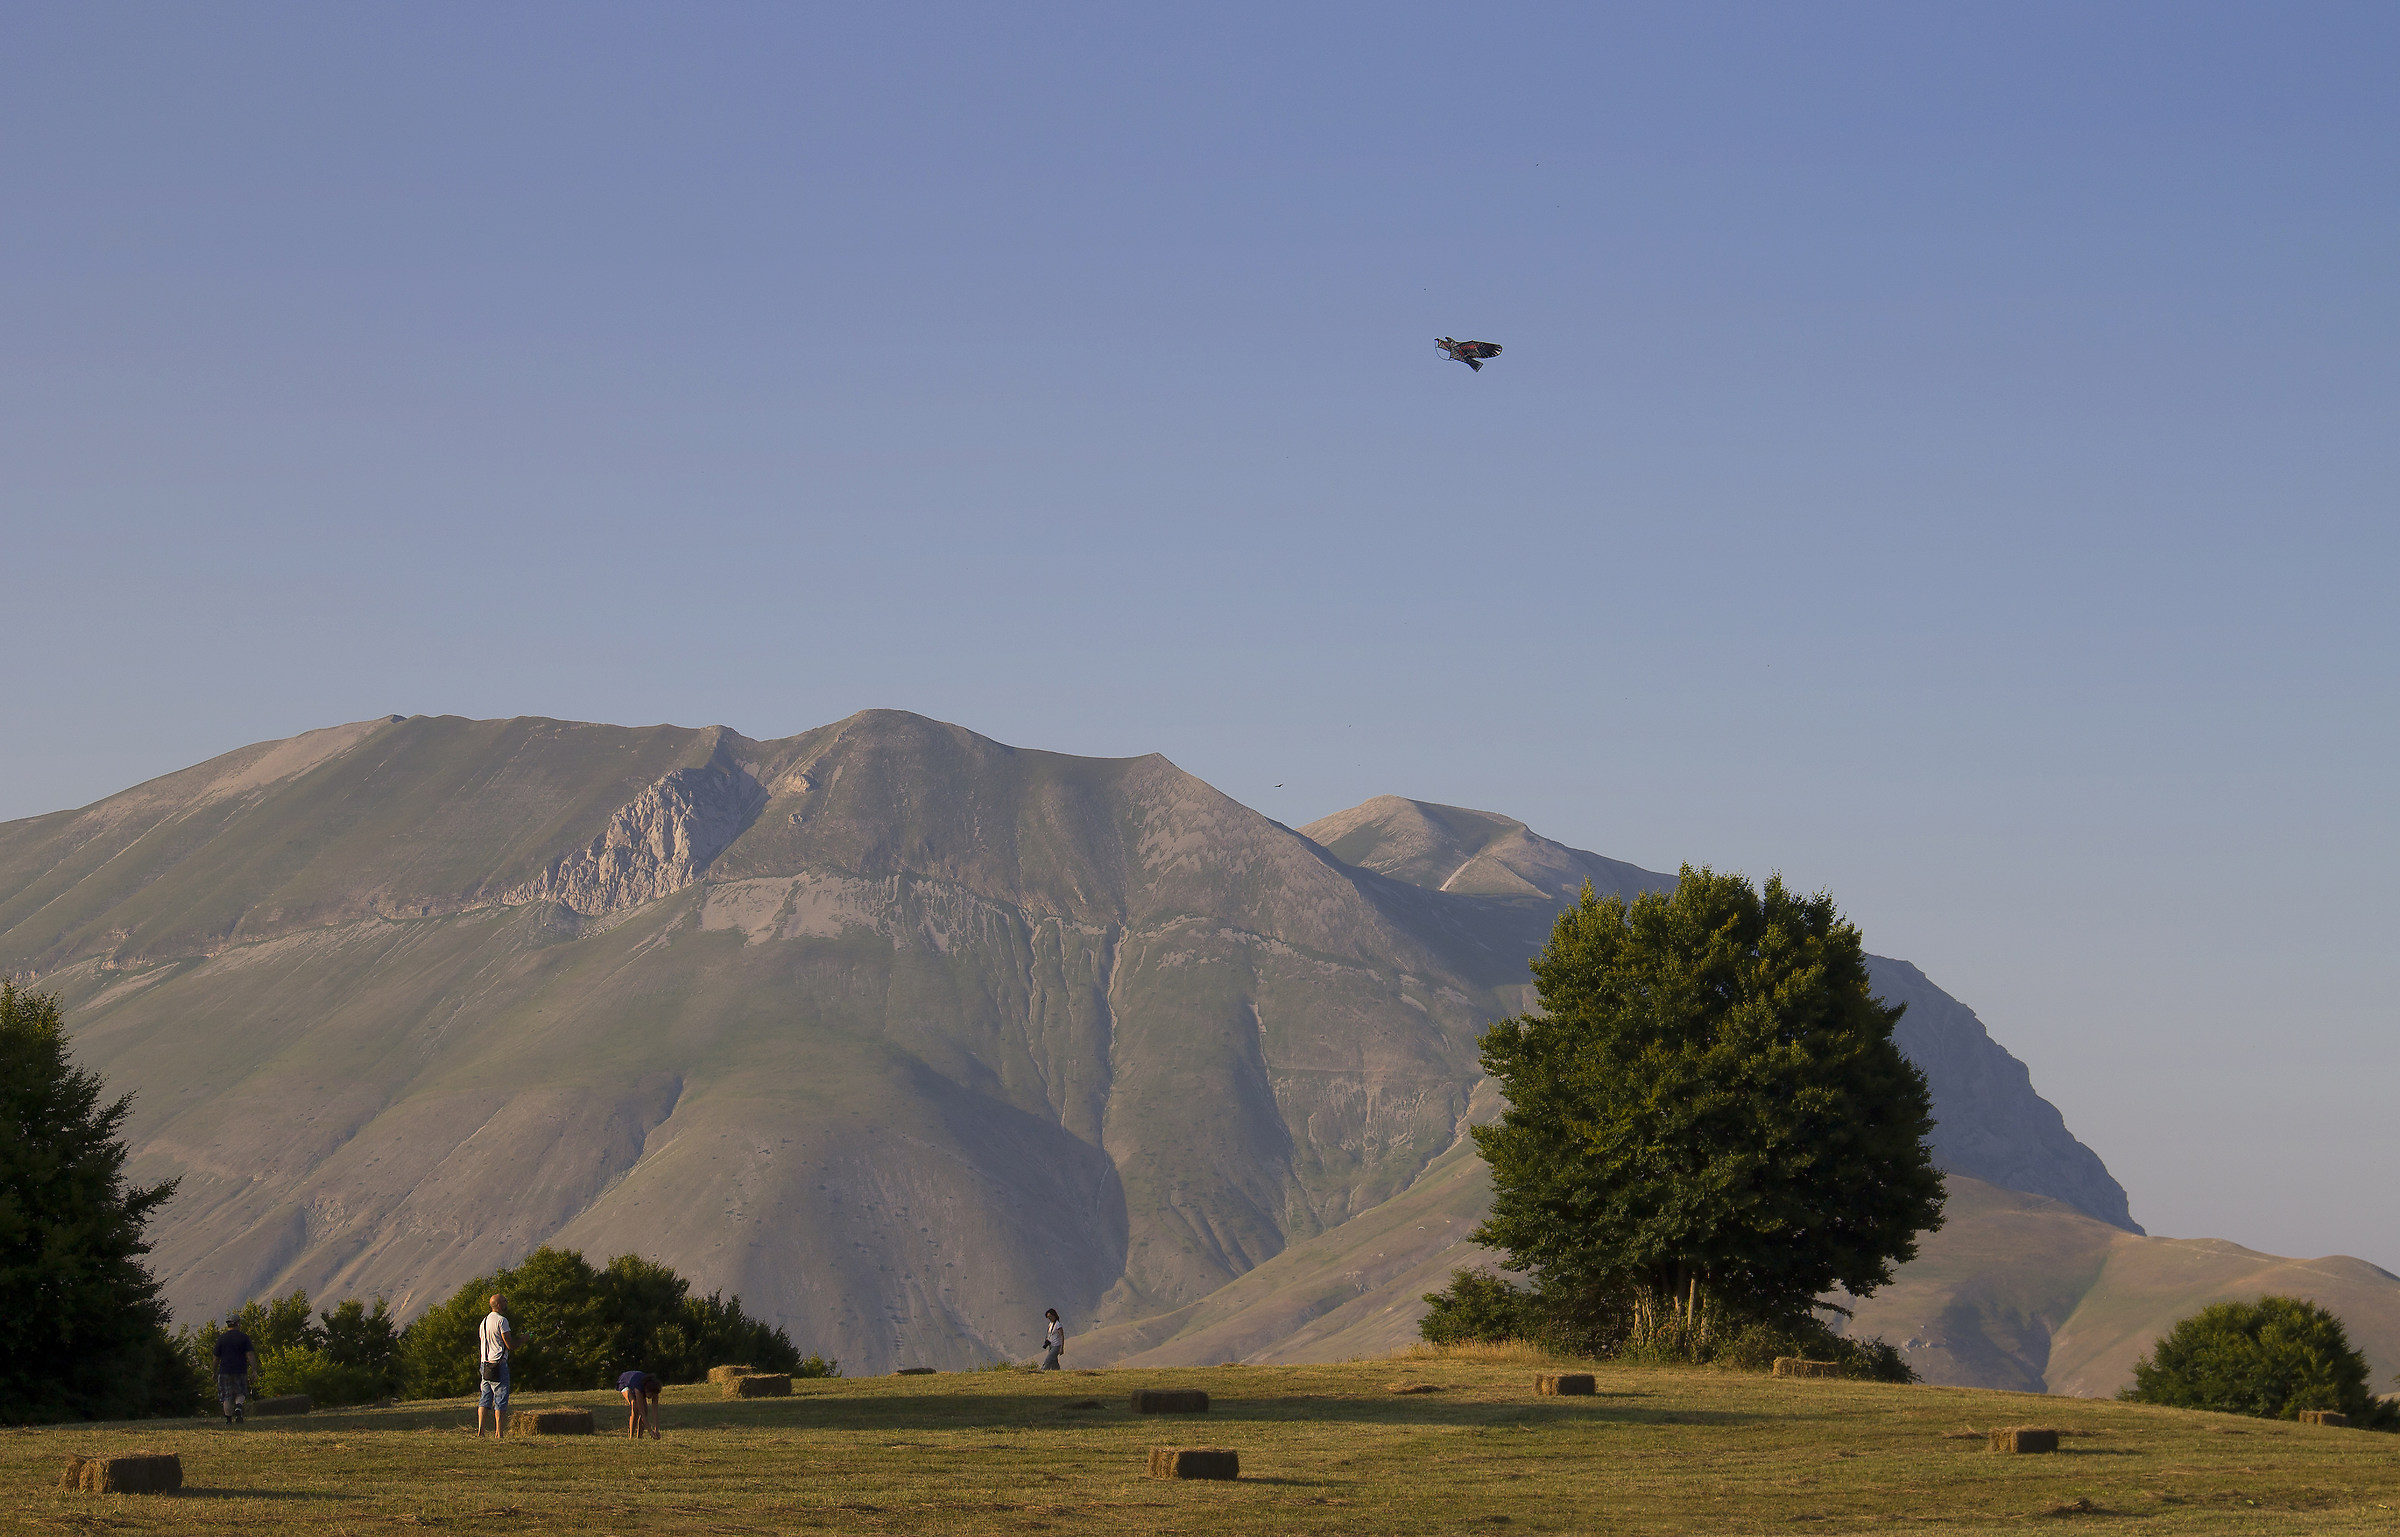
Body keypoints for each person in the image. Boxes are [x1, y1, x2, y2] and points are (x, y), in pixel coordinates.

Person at [476, 1293, 518, 1439]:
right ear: (499, 1305)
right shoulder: (502, 1321)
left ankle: (480, 1431)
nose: (507, 1303)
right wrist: (524, 1339)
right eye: (505, 1301)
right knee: (500, 1399)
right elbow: (510, 1345)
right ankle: (499, 1433)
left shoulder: (484, 1321)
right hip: (498, 1364)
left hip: (484, 1364)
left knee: (485, 1397)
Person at [212, 1318, 258, 1425]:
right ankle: (238, 1406)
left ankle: (228, 1420)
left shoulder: (221, 1338)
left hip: (224, 1371)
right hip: (240, 1370)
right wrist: (254, 1370)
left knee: (226, 1396)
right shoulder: (244, 1337)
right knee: (240, 1392)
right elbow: (250, 1354)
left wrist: (214, 1371)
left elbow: (216, 1358)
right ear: (237, 1324)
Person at [617, 1369, 664, 1439]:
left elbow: (655, 1412)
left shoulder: (655, 1390)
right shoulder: (639, 1390)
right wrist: (650, 1432)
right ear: (646, 1390)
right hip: (626, 1382)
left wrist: (656, 1430)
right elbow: (642, 1414)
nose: (651, 1397)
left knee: (645, 1410)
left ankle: (639, 1437)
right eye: (650, 1395)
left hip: (636, 1380)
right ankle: (631, 1437)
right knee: (635, 1407)